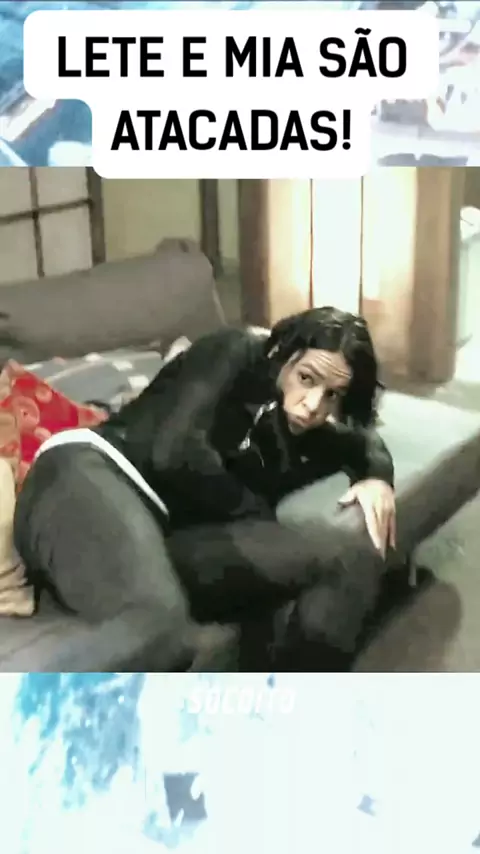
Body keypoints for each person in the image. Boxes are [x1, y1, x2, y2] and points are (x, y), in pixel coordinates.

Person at [14, 307, 395, 671]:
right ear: (284, 354)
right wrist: (255, 513)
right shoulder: (237, 349)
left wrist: (377, 477)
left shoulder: (301, 426)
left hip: (160, 533)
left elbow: (363, 441)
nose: (312, 405)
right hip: (88, 474)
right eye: (307, 379)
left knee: (347, 557)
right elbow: (175, 451)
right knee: (158, 627)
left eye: (332, 395)